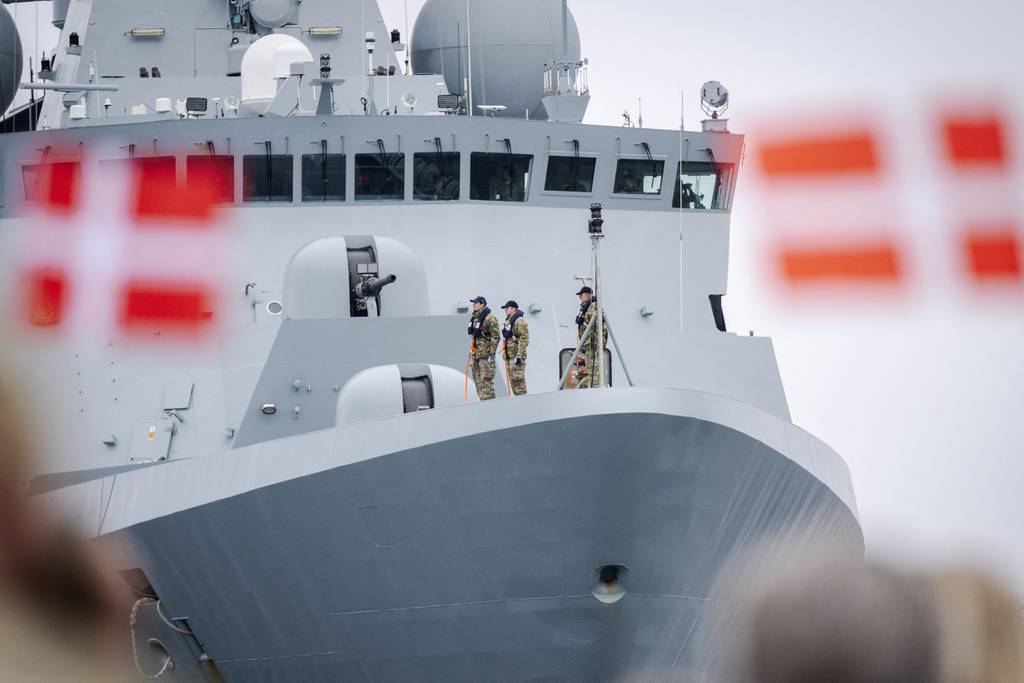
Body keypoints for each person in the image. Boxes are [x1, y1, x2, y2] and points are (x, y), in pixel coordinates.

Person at [466, 296, 500, 400]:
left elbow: (496, 337)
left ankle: (490, 403)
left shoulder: (490, 318)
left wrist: (492, 354)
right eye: (473, 302)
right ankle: (483, 401)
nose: (474, 304)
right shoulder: (475, 318)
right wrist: (471, 356)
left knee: (486, 379)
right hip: (476, 354)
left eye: (476, 302)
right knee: (477, 379)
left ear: (482, 304)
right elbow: (474, 339)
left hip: (485, 355)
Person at [574, 286, 607, 388]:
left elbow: (595, 326)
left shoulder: (593, 306)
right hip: (588, 347)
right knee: (588, 373)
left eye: (581, 295)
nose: (580, 297)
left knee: (593, 375)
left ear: (588, 294)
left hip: (593, 345)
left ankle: (595, 395)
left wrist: (593, 342)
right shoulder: (586, 308)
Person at [501, 300, 529, 396]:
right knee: (513, 381)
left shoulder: (519, 320)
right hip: (510, 356)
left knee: (518, 381)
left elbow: (524, 338)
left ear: (513, 308)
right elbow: (507, 338)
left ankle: (524, 402)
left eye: (507, 308)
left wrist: (519, 355)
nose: (505, 310)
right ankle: (519, 401)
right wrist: (505, 352)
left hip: (517, 356)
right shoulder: (508, 320)